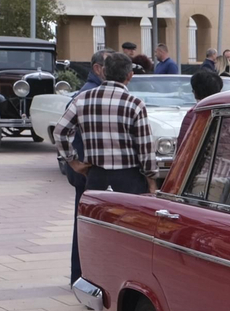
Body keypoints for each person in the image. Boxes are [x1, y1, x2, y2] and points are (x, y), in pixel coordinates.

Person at [56, 53, 156, 263]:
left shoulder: (82, 99)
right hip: (129, 179)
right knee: (130, 234)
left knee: (94, 231)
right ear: (130, 75)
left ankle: (87, 277)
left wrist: (73, 162)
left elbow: (60, 132)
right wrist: (151, 180)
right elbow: (145, 148)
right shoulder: (135, 104)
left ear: (104, 72)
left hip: (96, 177)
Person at [61, 49, 110, 284]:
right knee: (88, 224)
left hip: (87, 169)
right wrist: (74, 161)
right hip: (90, 170)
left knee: (85, 222)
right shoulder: (90, 95)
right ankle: (83, 276)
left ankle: (80, 275)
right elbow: (61, 131)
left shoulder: (91, 92)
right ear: (98, 69)